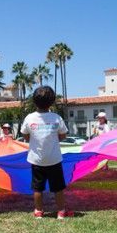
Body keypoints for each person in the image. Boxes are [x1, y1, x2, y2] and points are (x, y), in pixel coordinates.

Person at [21, 86, 73, 219]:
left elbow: (26, 136)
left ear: (34, 101)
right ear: (52, 101)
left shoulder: (29, 118)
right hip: (54, 159)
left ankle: (38, 211)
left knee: (37, 188)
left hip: (36, 160)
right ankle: (61, 211)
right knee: (58, 187)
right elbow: (63, 135)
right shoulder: (56, 118)